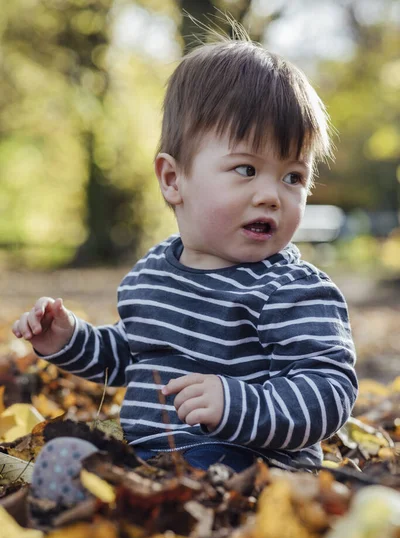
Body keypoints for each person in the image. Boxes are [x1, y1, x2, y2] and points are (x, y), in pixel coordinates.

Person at [12, 36, 358, 474]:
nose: (271, 195)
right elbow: (132, 356)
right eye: (246, 169)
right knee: (67, 458)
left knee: (183, 472)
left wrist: (237, 403)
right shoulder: (153, 273)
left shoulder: (293, 291)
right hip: (152, 456)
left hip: (248, 465)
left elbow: (329, 392)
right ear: (174, 179)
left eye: (293, 176)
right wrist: (69, 340)